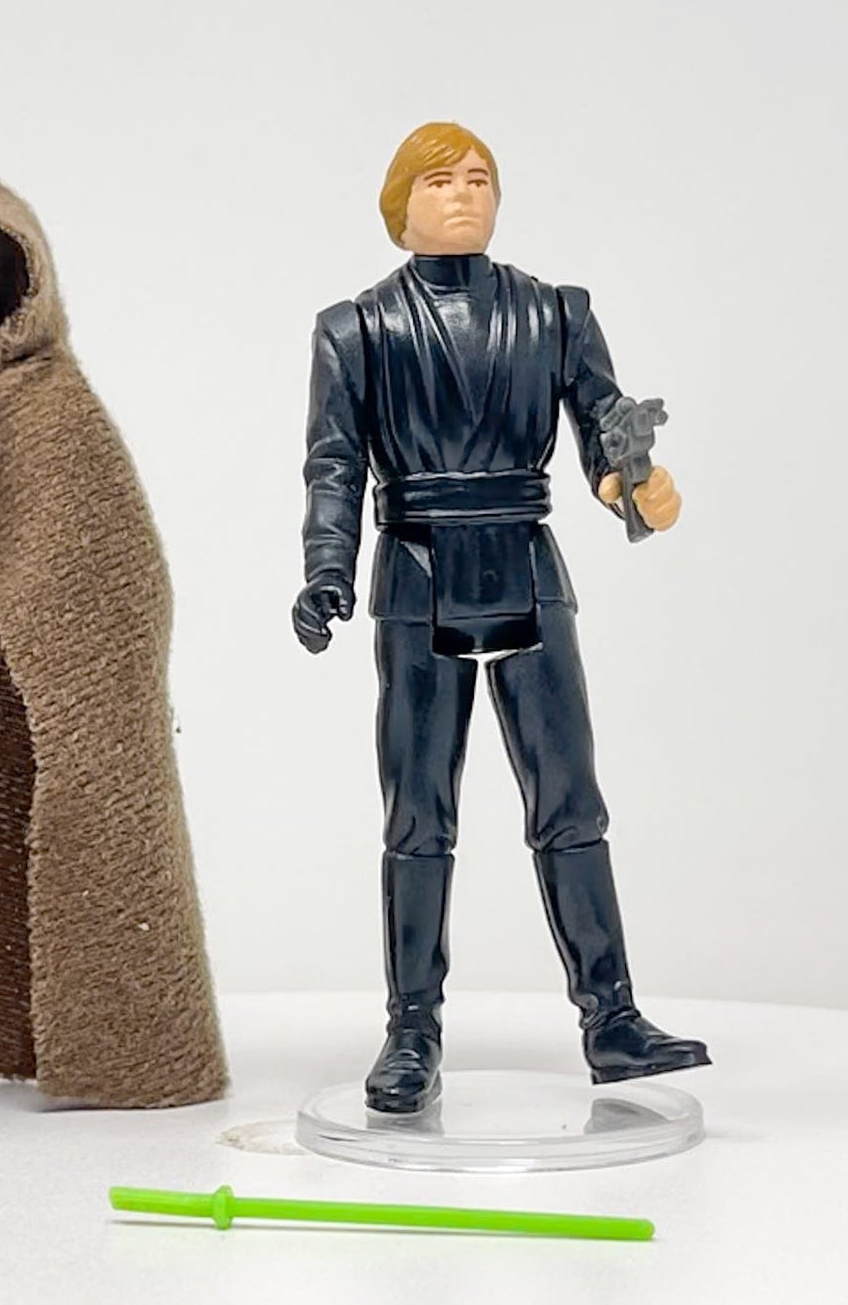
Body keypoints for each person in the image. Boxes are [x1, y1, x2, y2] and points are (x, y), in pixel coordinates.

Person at [294, 122, 710, 1114]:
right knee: (417, 815)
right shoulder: (357, 328)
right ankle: (410, 1031)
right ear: (399, 204)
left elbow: (604, 427)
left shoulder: (554, 312)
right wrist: (324, 568)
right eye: (439, 180)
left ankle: (611, 1018)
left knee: (570, 802)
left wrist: (633, 485)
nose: (463, 194)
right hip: (417, 571)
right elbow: (333, 463)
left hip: (525, 560)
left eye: (479, 178)